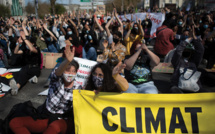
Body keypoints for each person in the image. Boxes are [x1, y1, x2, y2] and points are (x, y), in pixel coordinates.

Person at [9, 41, 81, 134]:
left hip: (62, 121)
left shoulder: (79, 88)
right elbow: (57, 72)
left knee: (54, 127)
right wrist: (67, 61)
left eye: (73, 71)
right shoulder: (56, 79)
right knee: (15, 123)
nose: (70, 74)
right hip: (46, 116)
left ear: (76, 73)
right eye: (67, 70)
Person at [170, 26, 208, 93]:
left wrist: (194, 38)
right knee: (174, 90)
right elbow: (178, 51)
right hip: (179, 85)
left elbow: (200, 50)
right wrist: (188, 39)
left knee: (207, 94)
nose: (187, 52)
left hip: (193, 86)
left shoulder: (194, 62)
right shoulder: (177, 61)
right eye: (185, 50)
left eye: (189, 51)